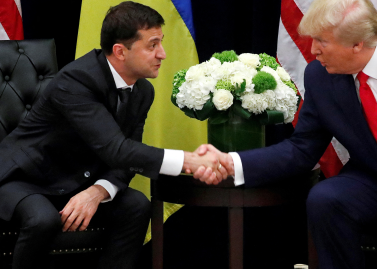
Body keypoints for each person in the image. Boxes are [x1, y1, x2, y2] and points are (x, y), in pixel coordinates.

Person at [194, 0, 377, 268]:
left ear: (357, 44)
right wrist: (233, 162)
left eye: (322, 42)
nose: (313, 51)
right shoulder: (319, 75)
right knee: (326, 198)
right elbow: (301, 149)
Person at [0, 2, 225, 269]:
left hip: (78, 179)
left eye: (161, 43)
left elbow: (128, 157)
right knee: (43, 219)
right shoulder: (75, 81)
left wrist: (97, 191)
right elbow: (116, 150)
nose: (162, 54)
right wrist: (188, 160)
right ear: (120, 51)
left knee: (137, 205)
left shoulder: (143, 92)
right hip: (25, 177)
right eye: (152, 45)